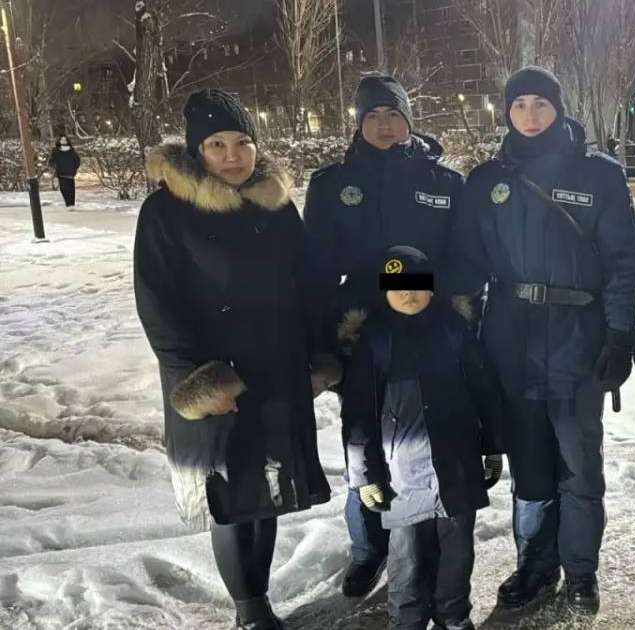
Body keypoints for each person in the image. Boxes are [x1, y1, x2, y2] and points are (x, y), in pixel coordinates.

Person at [134, 88, 336, 630]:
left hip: (276, 368)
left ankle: (259, 597)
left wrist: (318, 353)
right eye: (217, 144)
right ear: (196, 151)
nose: (232, 155)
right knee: (230, 492)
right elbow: (157, 304)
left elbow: (308, 283)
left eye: (243, 142)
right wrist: (197, 381)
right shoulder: (165, 212)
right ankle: (249, 611)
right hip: (217, 378)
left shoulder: (273, 205)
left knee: (267, 488)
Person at [451, 66, 635, 615]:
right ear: (506, 112)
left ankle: (581, 571)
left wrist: (621, 333)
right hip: (510, 340)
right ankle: (536, 567)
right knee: (531, 469)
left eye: (540, 104)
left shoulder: (599, 176)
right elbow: (464, 264)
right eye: (519, 106)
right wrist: (423, 314)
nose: (530, 115)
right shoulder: (488, 181)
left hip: (578, 340)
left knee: (579, 466)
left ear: (558, 109)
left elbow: (627, 263)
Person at [302, 73, 467, 598]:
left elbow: (463, 258)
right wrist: (324, 338)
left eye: (393, 115)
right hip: (362, 328)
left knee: (424, 434)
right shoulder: (332, 184)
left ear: (410, 120)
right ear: (358, 122)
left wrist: (456, 315)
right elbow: (316, 270)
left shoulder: (445, 183)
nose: (384, 125)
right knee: (364, 439)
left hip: (429, 323)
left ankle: (427, 541)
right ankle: (368, 548)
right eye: (373, 116)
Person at [341, 245, 505, 630]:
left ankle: (453, 615)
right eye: (397, 287)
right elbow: (358, 415)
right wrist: (363, 476)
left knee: (457, 553)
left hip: (457, 463)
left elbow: (484, 390)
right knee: (408, 558)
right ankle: (407, 620)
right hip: (403, 472)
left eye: (416, 285)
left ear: (432, 287)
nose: (408, 293)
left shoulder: (454, 329)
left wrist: (493, 446)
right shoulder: (375, 340)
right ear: (385, 291)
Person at [48, 135, 81, 207]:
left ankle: (71, 204)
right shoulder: (56, 150)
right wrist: (55, 167)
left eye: (65, 140)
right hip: (61, 173)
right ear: (59, 141)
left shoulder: (72, 150)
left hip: (70, 173)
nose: (63, 141)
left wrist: (74, 168)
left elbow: (77, 160)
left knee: (71, 190)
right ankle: (68, 203)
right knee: (63, 189)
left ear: (67, 141)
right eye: (62, 140)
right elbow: (51, 162)